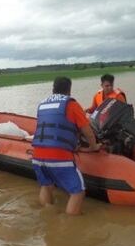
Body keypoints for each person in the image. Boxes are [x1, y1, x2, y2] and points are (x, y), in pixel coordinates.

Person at [32, 77, 101, 215]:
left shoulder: (42, 104)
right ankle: (69, 225)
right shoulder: (71, 104)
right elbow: (87, 131)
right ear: (69, 90)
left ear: (53, 89)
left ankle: (48, 215)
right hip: (58, 157)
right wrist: (93, 147)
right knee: (78, 192)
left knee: (46, 186)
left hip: (37, 156)